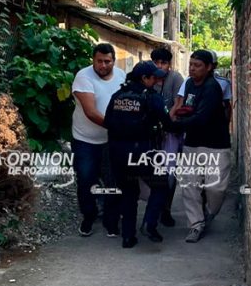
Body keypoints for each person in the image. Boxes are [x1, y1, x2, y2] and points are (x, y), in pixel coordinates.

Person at [103, 61, 179, 248]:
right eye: (154, 77)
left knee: (129, 192)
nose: (157, 81)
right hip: (143, 151)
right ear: (144, 78)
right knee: (161, 186)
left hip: (117, 152)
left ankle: (128, 237)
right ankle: (149, 224)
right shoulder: (151, 97)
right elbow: (167, 124)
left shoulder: (118, 95)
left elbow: (107, 122)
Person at [170, 50, 232, 243]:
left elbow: (201, 117)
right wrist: (177, 115)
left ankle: (208, 213)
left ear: (209, 68)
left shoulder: (213, 87)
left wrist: (175, 125)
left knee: (216, 188)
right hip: (192, 143)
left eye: (197, 66)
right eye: (191, 64)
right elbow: (186, 107)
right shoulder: (188, 84)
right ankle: (195, 225)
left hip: (216, 144)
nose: (192, 69)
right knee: (190, 186)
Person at [71, 43, 125, 238]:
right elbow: (91, 113)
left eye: (107, 61)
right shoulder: (83, 77)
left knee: (114, 181)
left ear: (114, 61)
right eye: (99, 61)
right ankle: (88, 216)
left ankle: (111, 222)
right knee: (86, 180)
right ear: (93, 60)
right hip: (85, 140)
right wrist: (120, 127)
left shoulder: (121, 76)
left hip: (112, 141)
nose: (103, 65)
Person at [150, 47, 185, 227]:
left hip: (170, 132)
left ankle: (166, 210)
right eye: (156, 62)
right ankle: (154, 209)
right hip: (150, 132)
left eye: (163, 62)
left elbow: (178, 105)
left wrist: (165, 123)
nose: (159, 66)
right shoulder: (147, 78)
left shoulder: (176, 78)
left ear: (169, 65)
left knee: (169, 173)